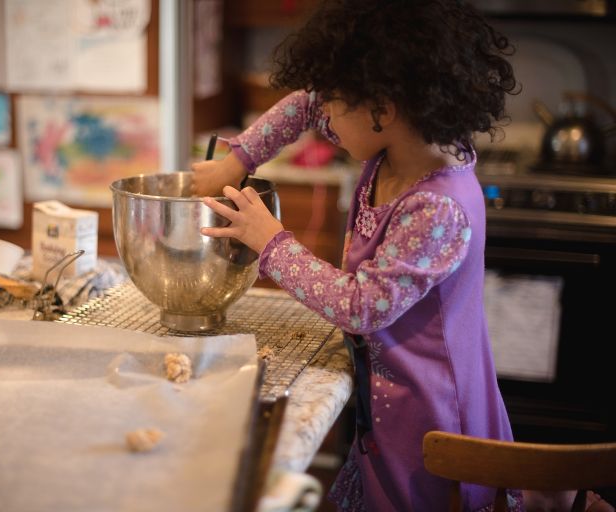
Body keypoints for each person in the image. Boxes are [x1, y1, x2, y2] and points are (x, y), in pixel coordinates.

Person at [192, 0, 523, 510]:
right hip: (388, 398)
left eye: (335, 102)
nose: (323, 114)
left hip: (434, 419)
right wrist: (238, 158)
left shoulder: (438, 208)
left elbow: (362, 307)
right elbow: (305, 105)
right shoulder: (398, 140)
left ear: (382, 109)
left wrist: (270, 240)